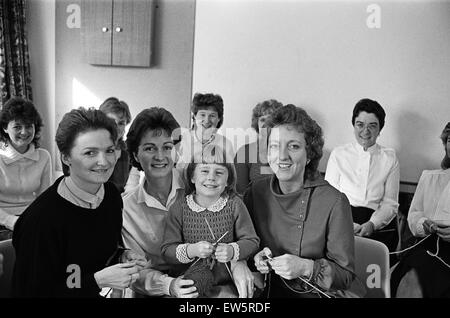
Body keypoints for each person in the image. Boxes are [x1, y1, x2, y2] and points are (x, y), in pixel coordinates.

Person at [122, 107, 255, 298]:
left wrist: (238, 261)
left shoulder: (201, 182)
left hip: (212, 282)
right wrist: (170, 285)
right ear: (135, 155)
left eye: (167, 147)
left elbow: (235, 225)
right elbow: (135, 270)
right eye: (149, 148)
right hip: (156, 291)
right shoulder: (126, 208)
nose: (160, 156)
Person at [12, 107, 145, 297]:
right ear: (66, 157)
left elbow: (95, 255)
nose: (104, 162)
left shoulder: (111, 196)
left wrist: (121, 255)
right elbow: (35, 291)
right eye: (90, 153)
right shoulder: (41, 222)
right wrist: (98, 280)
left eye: (109, 150)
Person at [244, 104, 359, 298]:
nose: (282, 156)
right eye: (274, 146)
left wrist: (306, 267)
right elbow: (243, 246)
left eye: (294, 146)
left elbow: (346, 276)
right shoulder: (255, 192)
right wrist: (255, 260)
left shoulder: (334, 202)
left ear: (309, 154)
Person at [161, 145, 260, 297]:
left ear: (228, 180)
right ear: (192, 177)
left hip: (226, 283)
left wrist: (232, 250)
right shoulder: (179, 207)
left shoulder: (235, 204)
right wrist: (191, 250)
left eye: (219, 172)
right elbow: (167, 250)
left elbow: (252, 241)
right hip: (189, 283)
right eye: (204, 171)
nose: (211, 177)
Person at [325, 98, 400, 253]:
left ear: (380, 129)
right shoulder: (339, 154)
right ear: (353, 125)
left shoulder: (390, 158)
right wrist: (346, 223)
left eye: (372, 126)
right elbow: (329, 198)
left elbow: (390, 203)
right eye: (360, 124)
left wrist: (372, 224)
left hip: (377, 223)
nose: (365, 131)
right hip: (342, 220)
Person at [391, 122, 450, 298]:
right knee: (406, 278)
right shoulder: (430, 177)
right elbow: (414, 215)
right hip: (426, 245)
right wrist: (424, 224)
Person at [0, 97, 52, 241]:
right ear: (5, 128)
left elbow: (45, 199)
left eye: (29, 126)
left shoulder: (44, 156)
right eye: (17, 127)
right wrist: (12, 222)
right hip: (2, 221)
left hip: (31, 218)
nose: (24, 132)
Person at [176, 93, 235, 171]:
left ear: (219, 119)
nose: (207, 120)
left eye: (212, 115)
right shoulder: (181, 140)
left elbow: (229, 175)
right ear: (194, 116)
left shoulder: (226, 145)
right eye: (202, 115)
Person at [234, 99, 282, 195]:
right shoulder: (244, 153)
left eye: (271, 119)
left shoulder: (287, 151)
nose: (266, 123)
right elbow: (240, 192)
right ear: (257, 123)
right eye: (262, 119)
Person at [99, 97, 132, 193]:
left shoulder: (127, 153)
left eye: (121, 123)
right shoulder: (91, 151)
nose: (116, 127)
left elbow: (130, 188)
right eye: (111, 121)